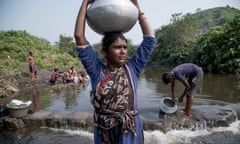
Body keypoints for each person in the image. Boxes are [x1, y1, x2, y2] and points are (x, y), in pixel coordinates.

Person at [74, 0, 157, 143]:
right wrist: (85, 2)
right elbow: (79, 37)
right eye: (117, 47)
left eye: (125, 47)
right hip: (104, 130)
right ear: (105, 51)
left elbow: (150, 40)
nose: (123, 51)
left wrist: (137, 9)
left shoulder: (132, 68)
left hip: (129, 130)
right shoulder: (96, 70)